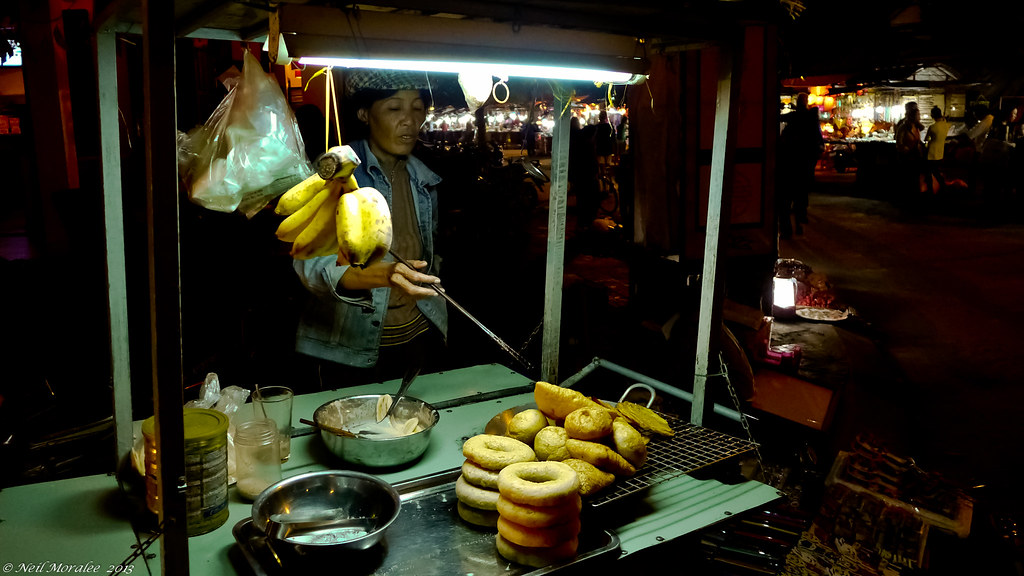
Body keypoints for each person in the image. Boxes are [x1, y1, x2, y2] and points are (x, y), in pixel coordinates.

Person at [291, 69, 448, 389]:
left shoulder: (425, 180)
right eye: (394, 108)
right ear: (364, 113)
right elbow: (309, 266)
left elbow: (428, 252)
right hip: (351, 348)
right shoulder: (336, 176)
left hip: (417, 333)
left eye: (417, 107)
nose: (409, 120)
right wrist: (381, 274)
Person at [777, 93, 823, 238]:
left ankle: (788, 228)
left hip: (789, 165)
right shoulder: (810, 118)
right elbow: (817, 135)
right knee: (799, 195)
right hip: (802, 163)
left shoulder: (793, 119)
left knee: (786, 199)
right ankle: (798, 222)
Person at [894, 101, 925, 205]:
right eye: (917, 115)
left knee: (915, 178)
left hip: (916, 156)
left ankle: (914, 198)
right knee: (907, 178)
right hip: (907, 157)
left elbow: (917, 139)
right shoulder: (903, 126)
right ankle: (906, 199)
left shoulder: (916, 127)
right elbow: (899, 143)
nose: (919, 117)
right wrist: (907, 150)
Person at [924, 105, 950, 195]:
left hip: (931, 153)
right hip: (940, 153)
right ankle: (942, 187)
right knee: (935, 171)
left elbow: (926, 139)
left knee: (929, 173)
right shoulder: (946, 125)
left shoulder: (932, 127)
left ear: (932, 116)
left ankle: (931, 190)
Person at [594, 109, 616, 178]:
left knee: (601, 167)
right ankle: (608, 181)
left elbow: (595, 138)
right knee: (608, 166)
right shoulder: (609, 127)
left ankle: (603, 183)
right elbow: (613, 138)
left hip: (600, 148)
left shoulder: (597, 127)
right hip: (608, 148)